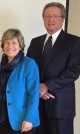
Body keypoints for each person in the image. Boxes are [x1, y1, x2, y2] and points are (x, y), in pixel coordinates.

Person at [27, 2, 80, 134]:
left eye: (55, 16)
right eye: (47, 16)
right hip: (36, 104)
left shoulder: (74, 42)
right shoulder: (35, 42)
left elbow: (73, 71)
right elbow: (27, 69)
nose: (51, 19)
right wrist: (38, 87)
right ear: (43, 18)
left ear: (63, 19)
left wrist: (47, 86)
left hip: (60, 106)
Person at [0, 28, 40, 134]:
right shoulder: (1, 65)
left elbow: (33, 94)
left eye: (14, 43)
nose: (10, 46)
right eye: (7, 43)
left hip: (23, 121)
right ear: (3, 45)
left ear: (20, 45)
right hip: (3, 119)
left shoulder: (29, 64)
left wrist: (29, 119)